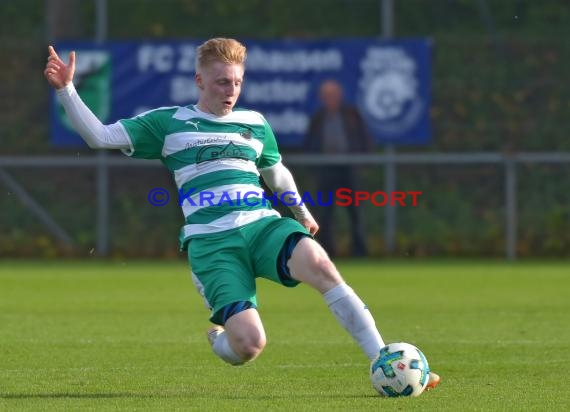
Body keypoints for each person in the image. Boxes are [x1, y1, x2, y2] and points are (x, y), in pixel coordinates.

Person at [44, 38, 439, 389]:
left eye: (236, 82)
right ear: (200, 82)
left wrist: (300, 212)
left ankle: (383, 359)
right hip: (213, 244)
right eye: (221, 82)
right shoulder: (168, 123)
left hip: (262, 226)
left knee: (321, 264)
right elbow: (100, 136)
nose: (230, 90)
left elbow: (275, 172)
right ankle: (220, 338)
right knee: (249, 345)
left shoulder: (254, 123)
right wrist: (67, 90)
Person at [304, 80, 372, 257]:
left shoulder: (351, 115)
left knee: (355, 212)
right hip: (326, 170)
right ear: (322, 98)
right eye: (326, 96)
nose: (330, 99)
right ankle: (327, 252)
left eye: (333, 95)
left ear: (339, 96)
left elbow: (364, 139)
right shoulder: (318, 118)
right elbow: (309, 144)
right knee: (325, 213)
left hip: (349, 169)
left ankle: (359, 252)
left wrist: (361, 162)